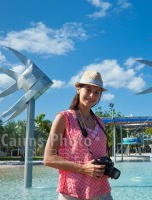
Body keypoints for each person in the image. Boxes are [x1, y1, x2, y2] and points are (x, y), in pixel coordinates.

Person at [44, 70, 113, 200]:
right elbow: (48, 158)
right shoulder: (64, 118)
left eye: (97, 92)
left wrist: (106, 167)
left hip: (101, 190)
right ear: (78, 89)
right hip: (73, 192)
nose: (92, 95)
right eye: (88, 89)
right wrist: (83, 169)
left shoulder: (100, 122)